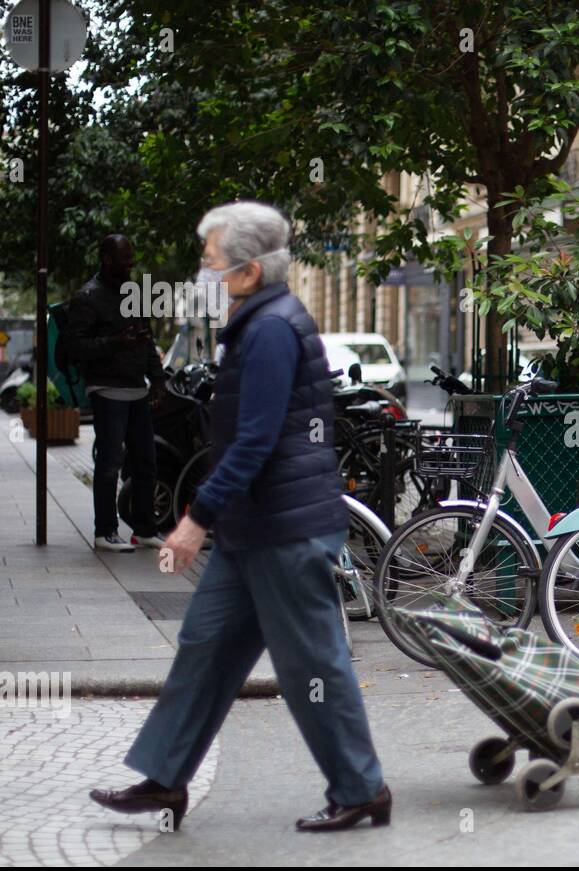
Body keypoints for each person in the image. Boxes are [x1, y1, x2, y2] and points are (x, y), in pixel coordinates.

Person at [90, 202, 390, 831]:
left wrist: (194, 520)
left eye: (212, 262)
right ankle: (165, 780)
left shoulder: (273, 330)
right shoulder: (256, 321)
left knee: (312, 665)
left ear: (249, 272)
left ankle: (362, 789)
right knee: (204, 647)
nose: (204, 271)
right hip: (253, 530)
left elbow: (254, 441)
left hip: (285, 529)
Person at [66, 234, 169, 552]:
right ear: (106, 259)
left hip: (137, 388)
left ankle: (144, 529)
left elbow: (147, 339)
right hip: (107, 388)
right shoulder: (87, 297)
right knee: (110, 462)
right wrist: (116, 341)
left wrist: (158, 378)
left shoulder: (134, 293)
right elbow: (76, 348)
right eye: (125, 258)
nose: (131, 263)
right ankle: (105, 531)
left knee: (146, 462)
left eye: (132, 256)